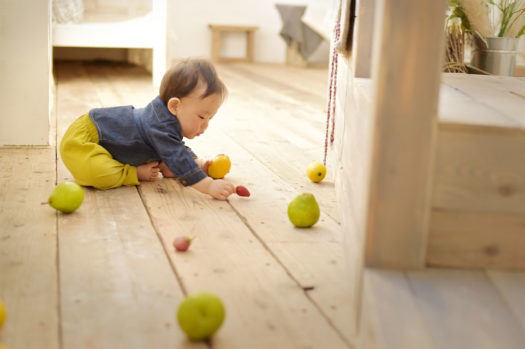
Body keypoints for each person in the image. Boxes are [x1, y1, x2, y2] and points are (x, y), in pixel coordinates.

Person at [59, 58, 235, 201]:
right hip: (87, 138)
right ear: (175, 106)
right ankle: (131, 172)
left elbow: (176, 150)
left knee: (166, 159)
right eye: (202, 117)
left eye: (210, 118)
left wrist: (201, 164)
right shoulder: (159, 126)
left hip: (116, 144)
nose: (205, 125)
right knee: (96, 173)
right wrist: (208, 185)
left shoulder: (168, 121)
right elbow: (176, 155)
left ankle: (146, 165)